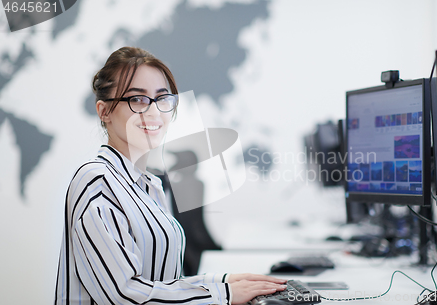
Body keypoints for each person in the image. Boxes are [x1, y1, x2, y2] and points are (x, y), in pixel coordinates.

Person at [54, 47, 286, 305]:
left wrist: (223, 282)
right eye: (138, 99)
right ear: (104, 111)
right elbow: (124, 295)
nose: (154, 112)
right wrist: (224, 295)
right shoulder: (98, 183)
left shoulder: (148, 184)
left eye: (162, 99)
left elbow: (161, 284)